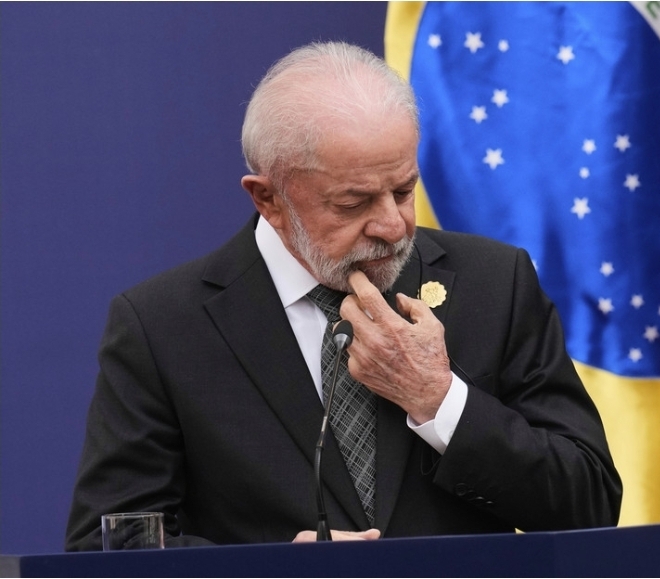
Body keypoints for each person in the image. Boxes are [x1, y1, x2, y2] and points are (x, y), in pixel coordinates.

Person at [65, 41, 621, 550]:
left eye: (403, 190)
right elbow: (109, 543)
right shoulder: (162, 325)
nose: (393, 226)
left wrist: (438, 399)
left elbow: (589, 503)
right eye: (353, 204)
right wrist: (274, 572)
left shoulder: (494, 282)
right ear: (268, 199)